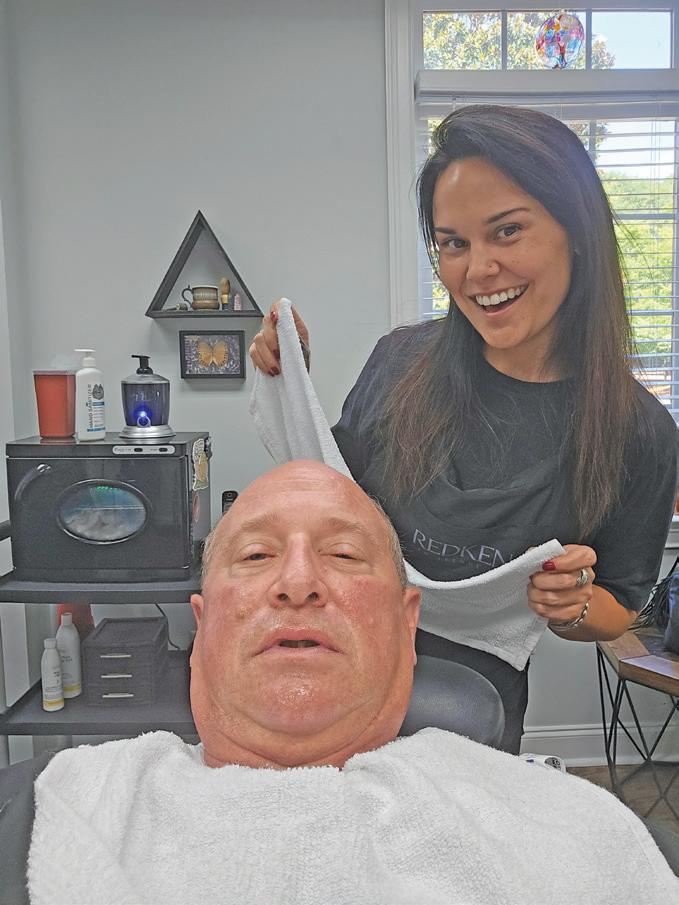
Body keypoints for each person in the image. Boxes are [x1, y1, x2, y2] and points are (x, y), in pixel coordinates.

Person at [2, 461, 677, 904]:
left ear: (406, 623)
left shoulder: (571, 831)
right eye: (256, 554)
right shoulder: (50, 808)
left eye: (345, 553)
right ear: (202, 628)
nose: (298, 582)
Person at [249, 104, 678, 754]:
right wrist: (292, 390)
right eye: (453, 243)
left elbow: (618, 602)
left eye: (507, 231)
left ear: (577, 232)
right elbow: (328, 497)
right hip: (339, 670)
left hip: (476, 709)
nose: (476, 271)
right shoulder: (399, 363)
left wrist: (574, 605)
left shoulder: (636, 431)